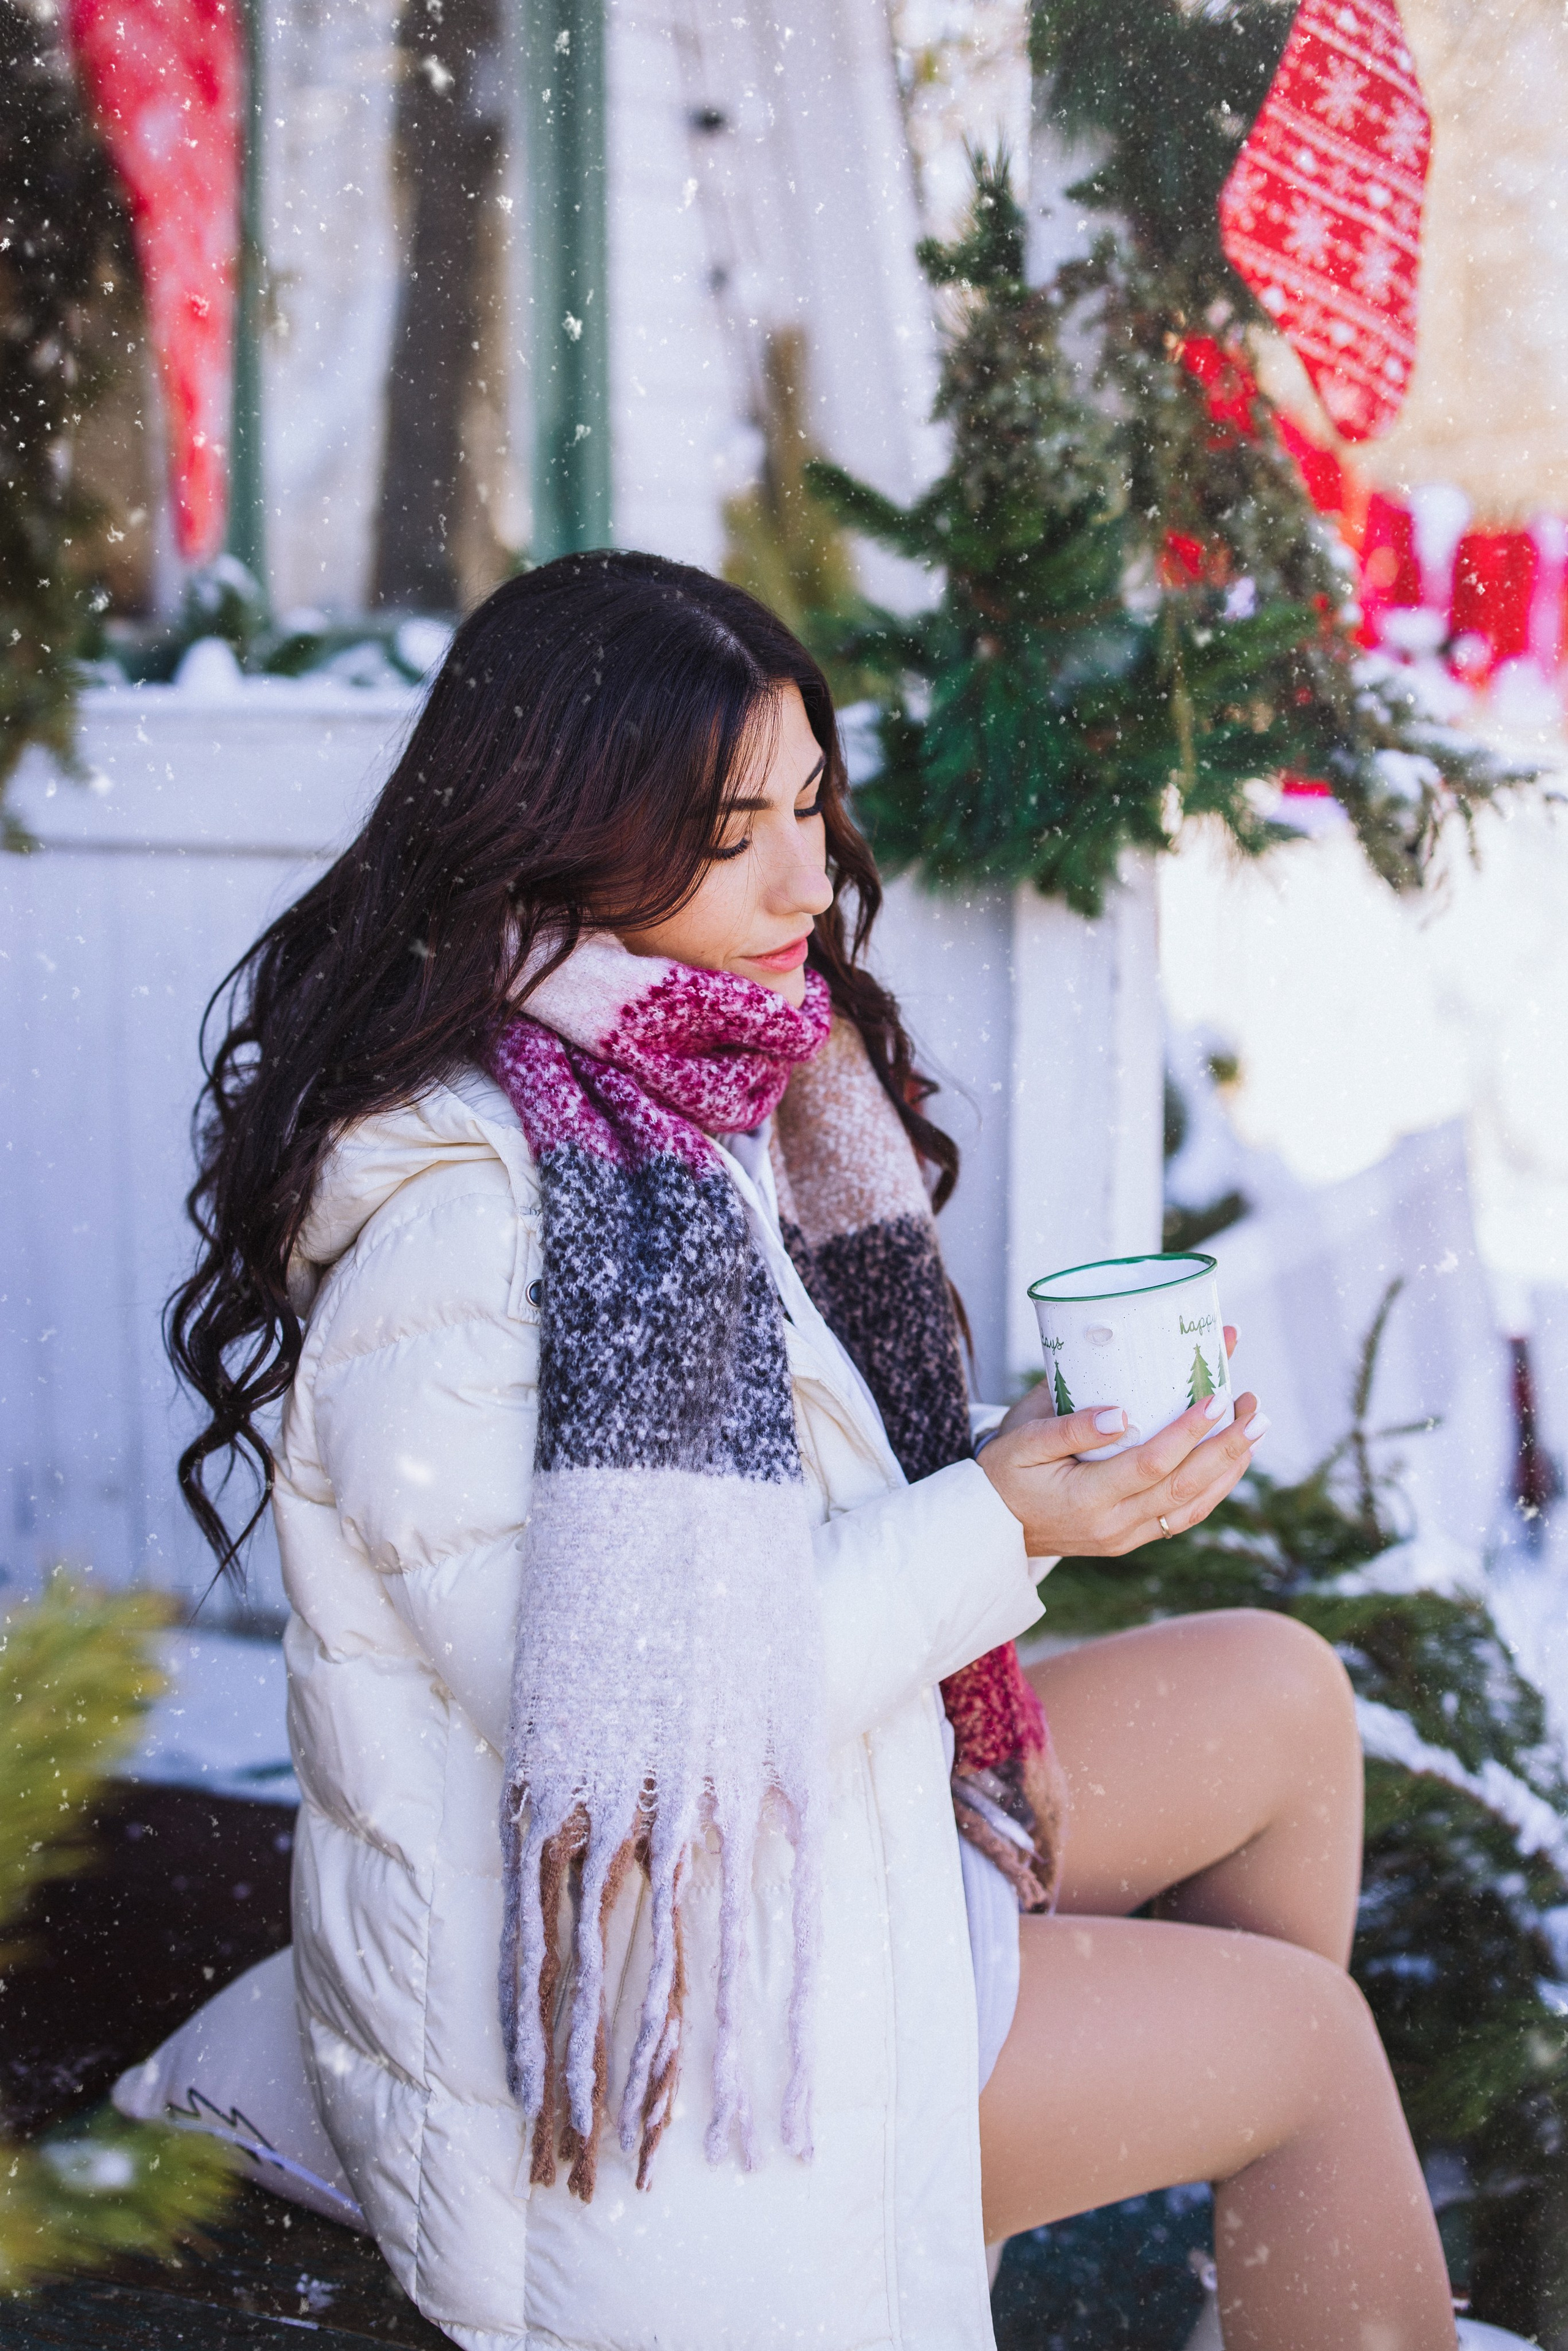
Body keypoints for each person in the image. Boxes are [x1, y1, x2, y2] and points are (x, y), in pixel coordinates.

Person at [170, 553, 1456, 2351]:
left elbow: (791, 1507)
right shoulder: (472, 1225)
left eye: (805, 804)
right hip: (655, 2073)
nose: (804, 875)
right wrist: (997, 1522)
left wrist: (1026, 1476)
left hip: (797, 1844)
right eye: (726, 830)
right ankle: (1249, 2203)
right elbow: (635, 1705)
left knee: (1281, 1699)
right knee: (1305, 2050)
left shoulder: (698, 1084)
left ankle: (1248, 2256)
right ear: (561, 838)